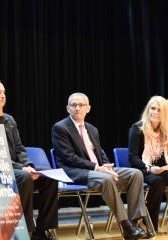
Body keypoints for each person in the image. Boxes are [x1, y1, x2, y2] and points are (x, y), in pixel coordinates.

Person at [51, 92, 150, 240]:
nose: (77, 108)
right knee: (106, 179)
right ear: (67, 108)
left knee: (135, 174)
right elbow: (68, 157)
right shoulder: (60, 128)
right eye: (74, 105)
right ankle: (126, 225)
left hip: (99, 170)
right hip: (75, 172)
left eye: (81, 105)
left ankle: (135, 222)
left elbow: (99, 151)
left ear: (88, 108)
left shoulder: (92, 129)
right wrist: (97, 168)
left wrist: (106, 165)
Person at [0, 81, 58, 240]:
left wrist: (29, 165)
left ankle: (42, 231)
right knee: (24, 178)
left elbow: (19, 148)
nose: (2, 95)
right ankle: (24, 232)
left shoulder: (9, 120)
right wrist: (22, 169)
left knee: (50, 176)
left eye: (3, 92)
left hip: (17, 168)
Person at [129, 96, 168, 232]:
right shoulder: (137, 128)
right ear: (148, 110)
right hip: (140, 168)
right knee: (157, 182)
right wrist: (149, 168)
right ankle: (149, 222)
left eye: (159, 110)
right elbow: (132, 157)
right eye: (152, 108)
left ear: (165, 113)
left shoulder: (167, 130)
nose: (155, 112)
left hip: (159, 168)